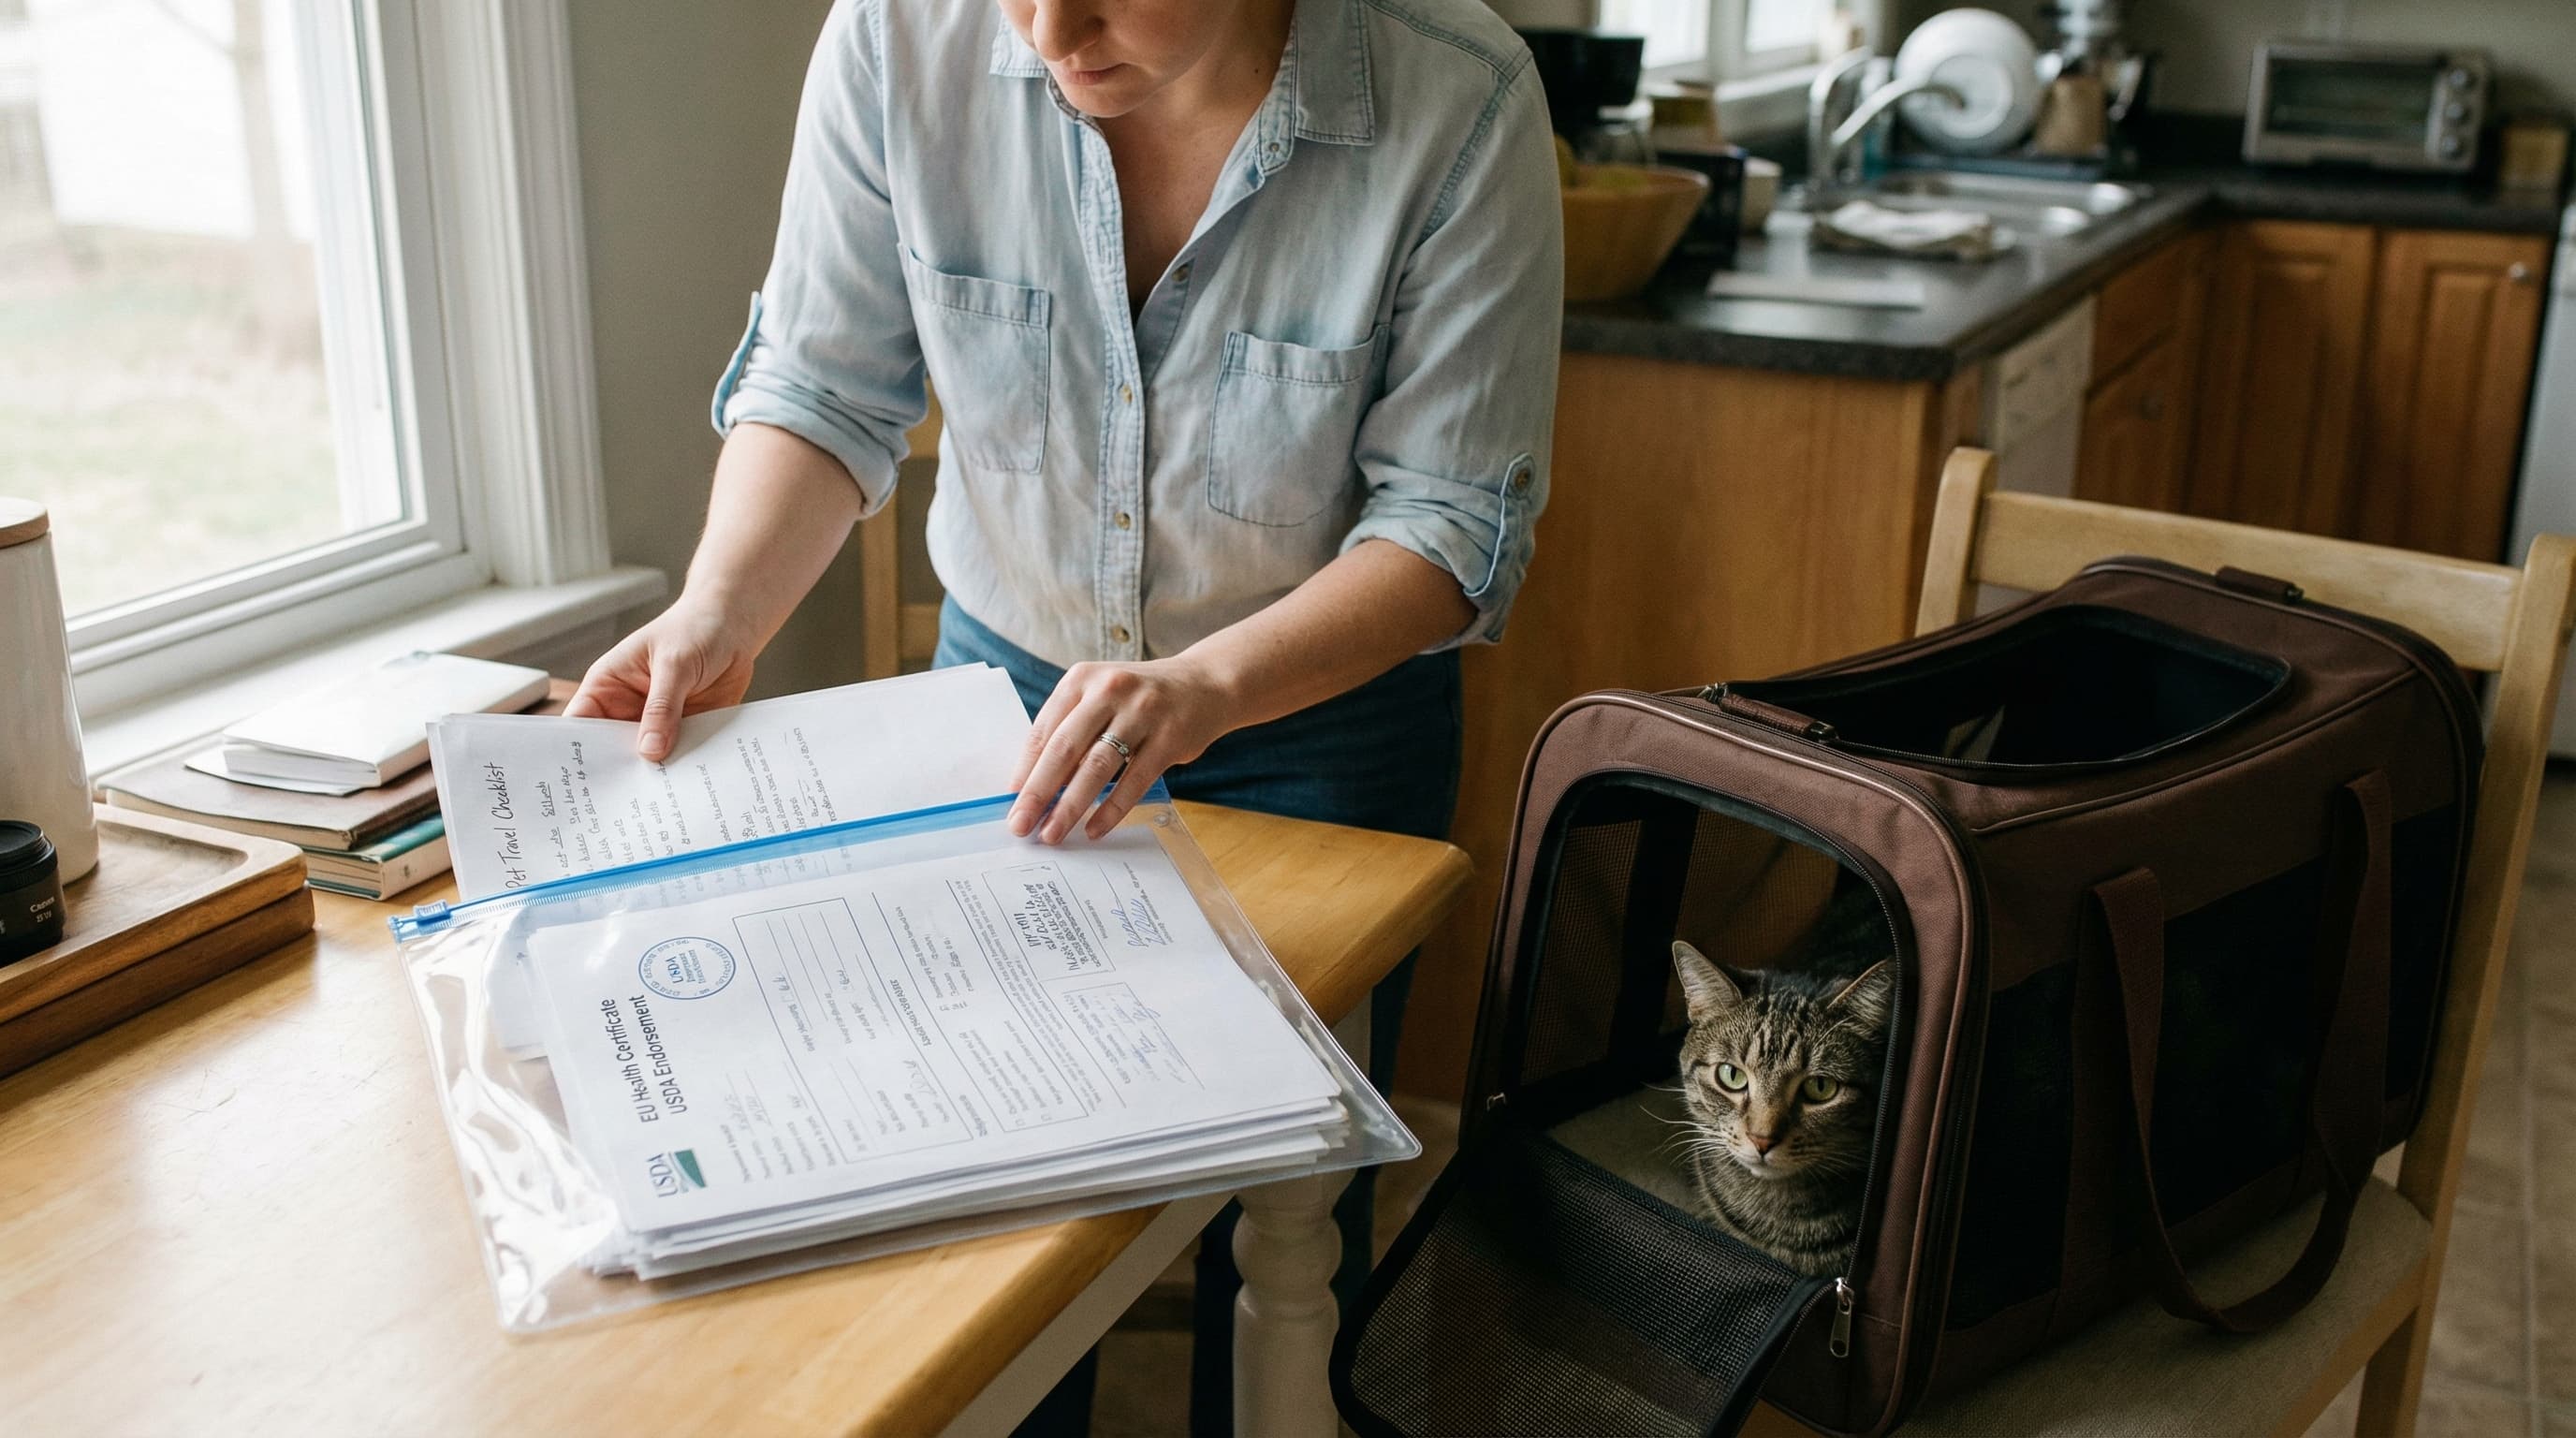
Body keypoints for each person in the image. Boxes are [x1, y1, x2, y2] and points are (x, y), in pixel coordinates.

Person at [566, 0, 1560, 1429]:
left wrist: (1208, 687)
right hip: (1005, 703)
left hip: (1321, 731)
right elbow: (824, 380)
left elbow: (1452, 524)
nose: (1048, 30)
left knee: (1285, 1222)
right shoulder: (897, 40)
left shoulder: (1457, 93)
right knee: (1006, 1199)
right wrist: (721, 607)